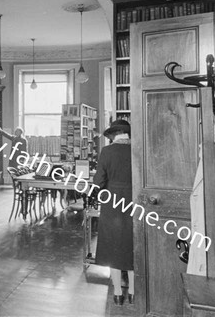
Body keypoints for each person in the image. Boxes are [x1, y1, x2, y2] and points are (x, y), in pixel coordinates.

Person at [93, 119, 134, 306]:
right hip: (135, 203)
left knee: (115, 247)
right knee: (132, 246)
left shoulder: (107, 151)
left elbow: (98, 182)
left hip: (112, 204)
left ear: (114, 134)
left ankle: (118, 293)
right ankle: (133, 292)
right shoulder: (137, 150)